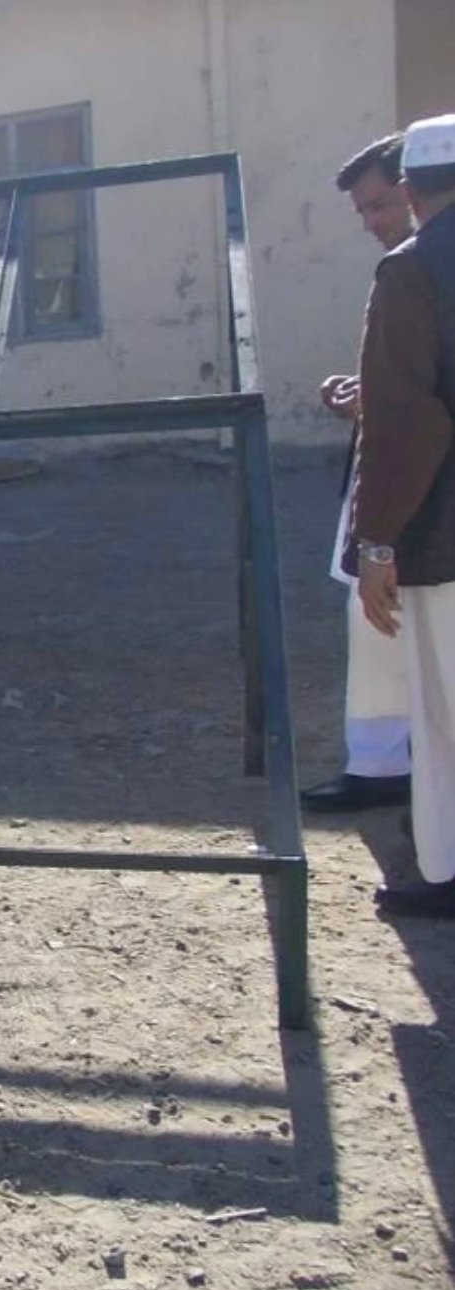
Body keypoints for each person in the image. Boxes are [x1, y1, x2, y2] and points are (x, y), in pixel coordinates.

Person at [347, 113, 455, 917]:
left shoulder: (412, 272)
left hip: (444, 534)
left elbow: (407, 423)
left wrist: (376, 540)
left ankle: (450, 873)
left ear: (412, 189)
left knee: (445, 710)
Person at [302, 132, 417, 813]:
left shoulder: (422, 269)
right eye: (364, 212)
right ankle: (378, 767)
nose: (373, 222)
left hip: (418, 495)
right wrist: (366, 399)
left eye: (379, 204)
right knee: (373, 626)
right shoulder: (407, 266)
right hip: (386, 481)